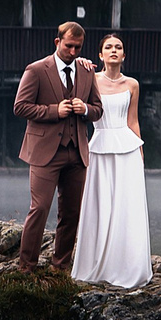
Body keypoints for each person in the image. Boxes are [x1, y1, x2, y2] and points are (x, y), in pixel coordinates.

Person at [13, 19, 100, 273]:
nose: (73, 53)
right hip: (44, 153)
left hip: (78, 152)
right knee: (39, 208)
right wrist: (54, 110)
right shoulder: (37, 69)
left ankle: (60, 267)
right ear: (57, 42)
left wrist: (85, 109)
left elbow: (98, 109)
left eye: (78, 48)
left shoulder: (87, 71)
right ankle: (26, 267)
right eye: (69, 46)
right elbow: (20, 107)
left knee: (72, 213)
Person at [70, 33, 152, 287]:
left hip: (127, 148)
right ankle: (96, 264)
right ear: (101, 54)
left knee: (127, 206)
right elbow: (69, 76)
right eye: (108, 47)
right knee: (100, 204)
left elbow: (133, 120)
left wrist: (140, 152)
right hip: (100, 144)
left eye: (118, 47)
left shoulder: (133, 84)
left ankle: (128, 265)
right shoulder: (91, 80)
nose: (114, 50)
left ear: (124, 55)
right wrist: (81, 63)